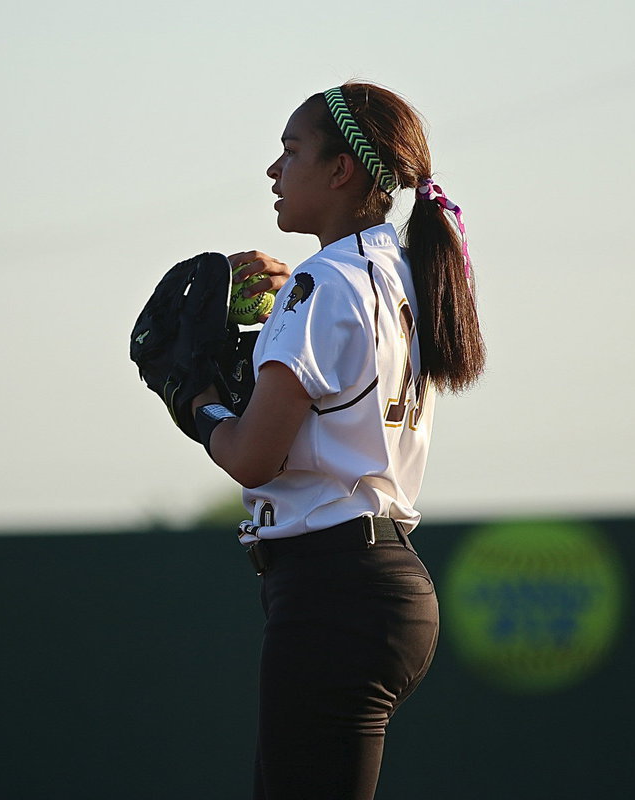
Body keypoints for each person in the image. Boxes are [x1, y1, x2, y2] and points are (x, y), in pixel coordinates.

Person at [191, 82, 485, 800]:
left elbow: (252, 457)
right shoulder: (402, 271)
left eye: (292, 151)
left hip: (333, 590)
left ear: (340, 170)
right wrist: (282, 316)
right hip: (378, 584)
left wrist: (193, 399)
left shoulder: (322, 284)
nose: (274, 170)